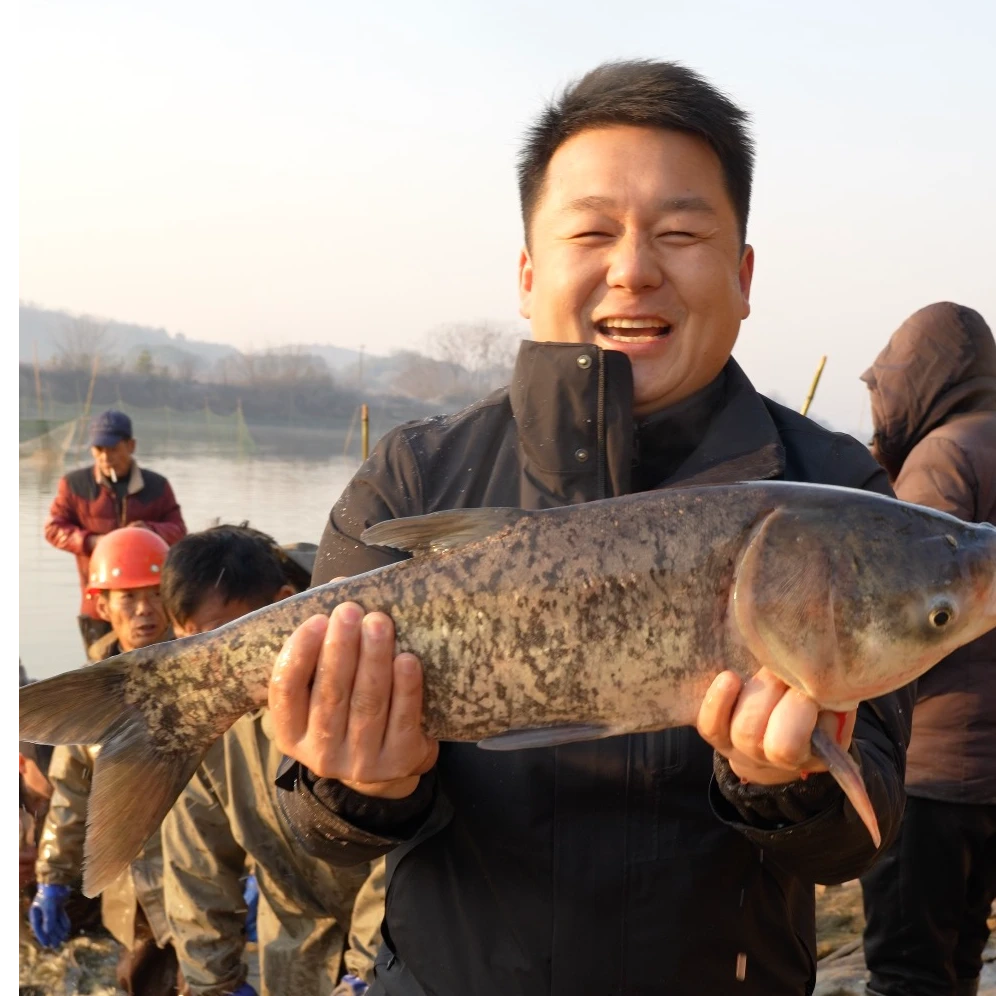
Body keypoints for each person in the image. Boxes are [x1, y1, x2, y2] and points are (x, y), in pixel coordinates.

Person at [267, 60, 913, 996]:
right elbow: (318, 832)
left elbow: (863, 830)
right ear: (529, 275)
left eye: (682, 233)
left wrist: (787, 787)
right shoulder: (412, 479)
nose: (635, 269)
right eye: (593, 232)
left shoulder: (835, 492)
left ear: (743, 274)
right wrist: (361, 785)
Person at [158, 525, 380, 996]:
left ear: (285, 604)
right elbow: (196, 866)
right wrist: (215, 982)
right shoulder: (203, 724)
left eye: (223, 642)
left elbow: (411, 847)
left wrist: (369, 967)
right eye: (188, 647)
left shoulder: (370, 676)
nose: (209, 670)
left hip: (398, 943)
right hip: (292, 948)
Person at [859, 302, 996, 996]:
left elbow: (897, 600)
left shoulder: (942, 456)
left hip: (931, 772)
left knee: (907, 970)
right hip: (990, 781)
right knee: (963, 962)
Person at [31, 527, 183, 996]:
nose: (144, 611)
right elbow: (71, 794)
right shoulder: (89, 691)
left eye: (154, 595)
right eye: (128, 599)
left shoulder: (200, 672)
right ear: (101, 607)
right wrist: (52, 877)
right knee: (135, 980)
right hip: (132, 893)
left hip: (200, 880)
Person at [44, 408, 187, 650]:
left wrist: (149, 530)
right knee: (100, 668)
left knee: (155, 659)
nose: (105, 456)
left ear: (131, 446)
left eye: (113, 448)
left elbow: (178, 530)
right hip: (100, 598)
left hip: (150, 600)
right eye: (99, 449)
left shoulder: (157, 486)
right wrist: (92, 542)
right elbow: (54, 528)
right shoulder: (75, 485)